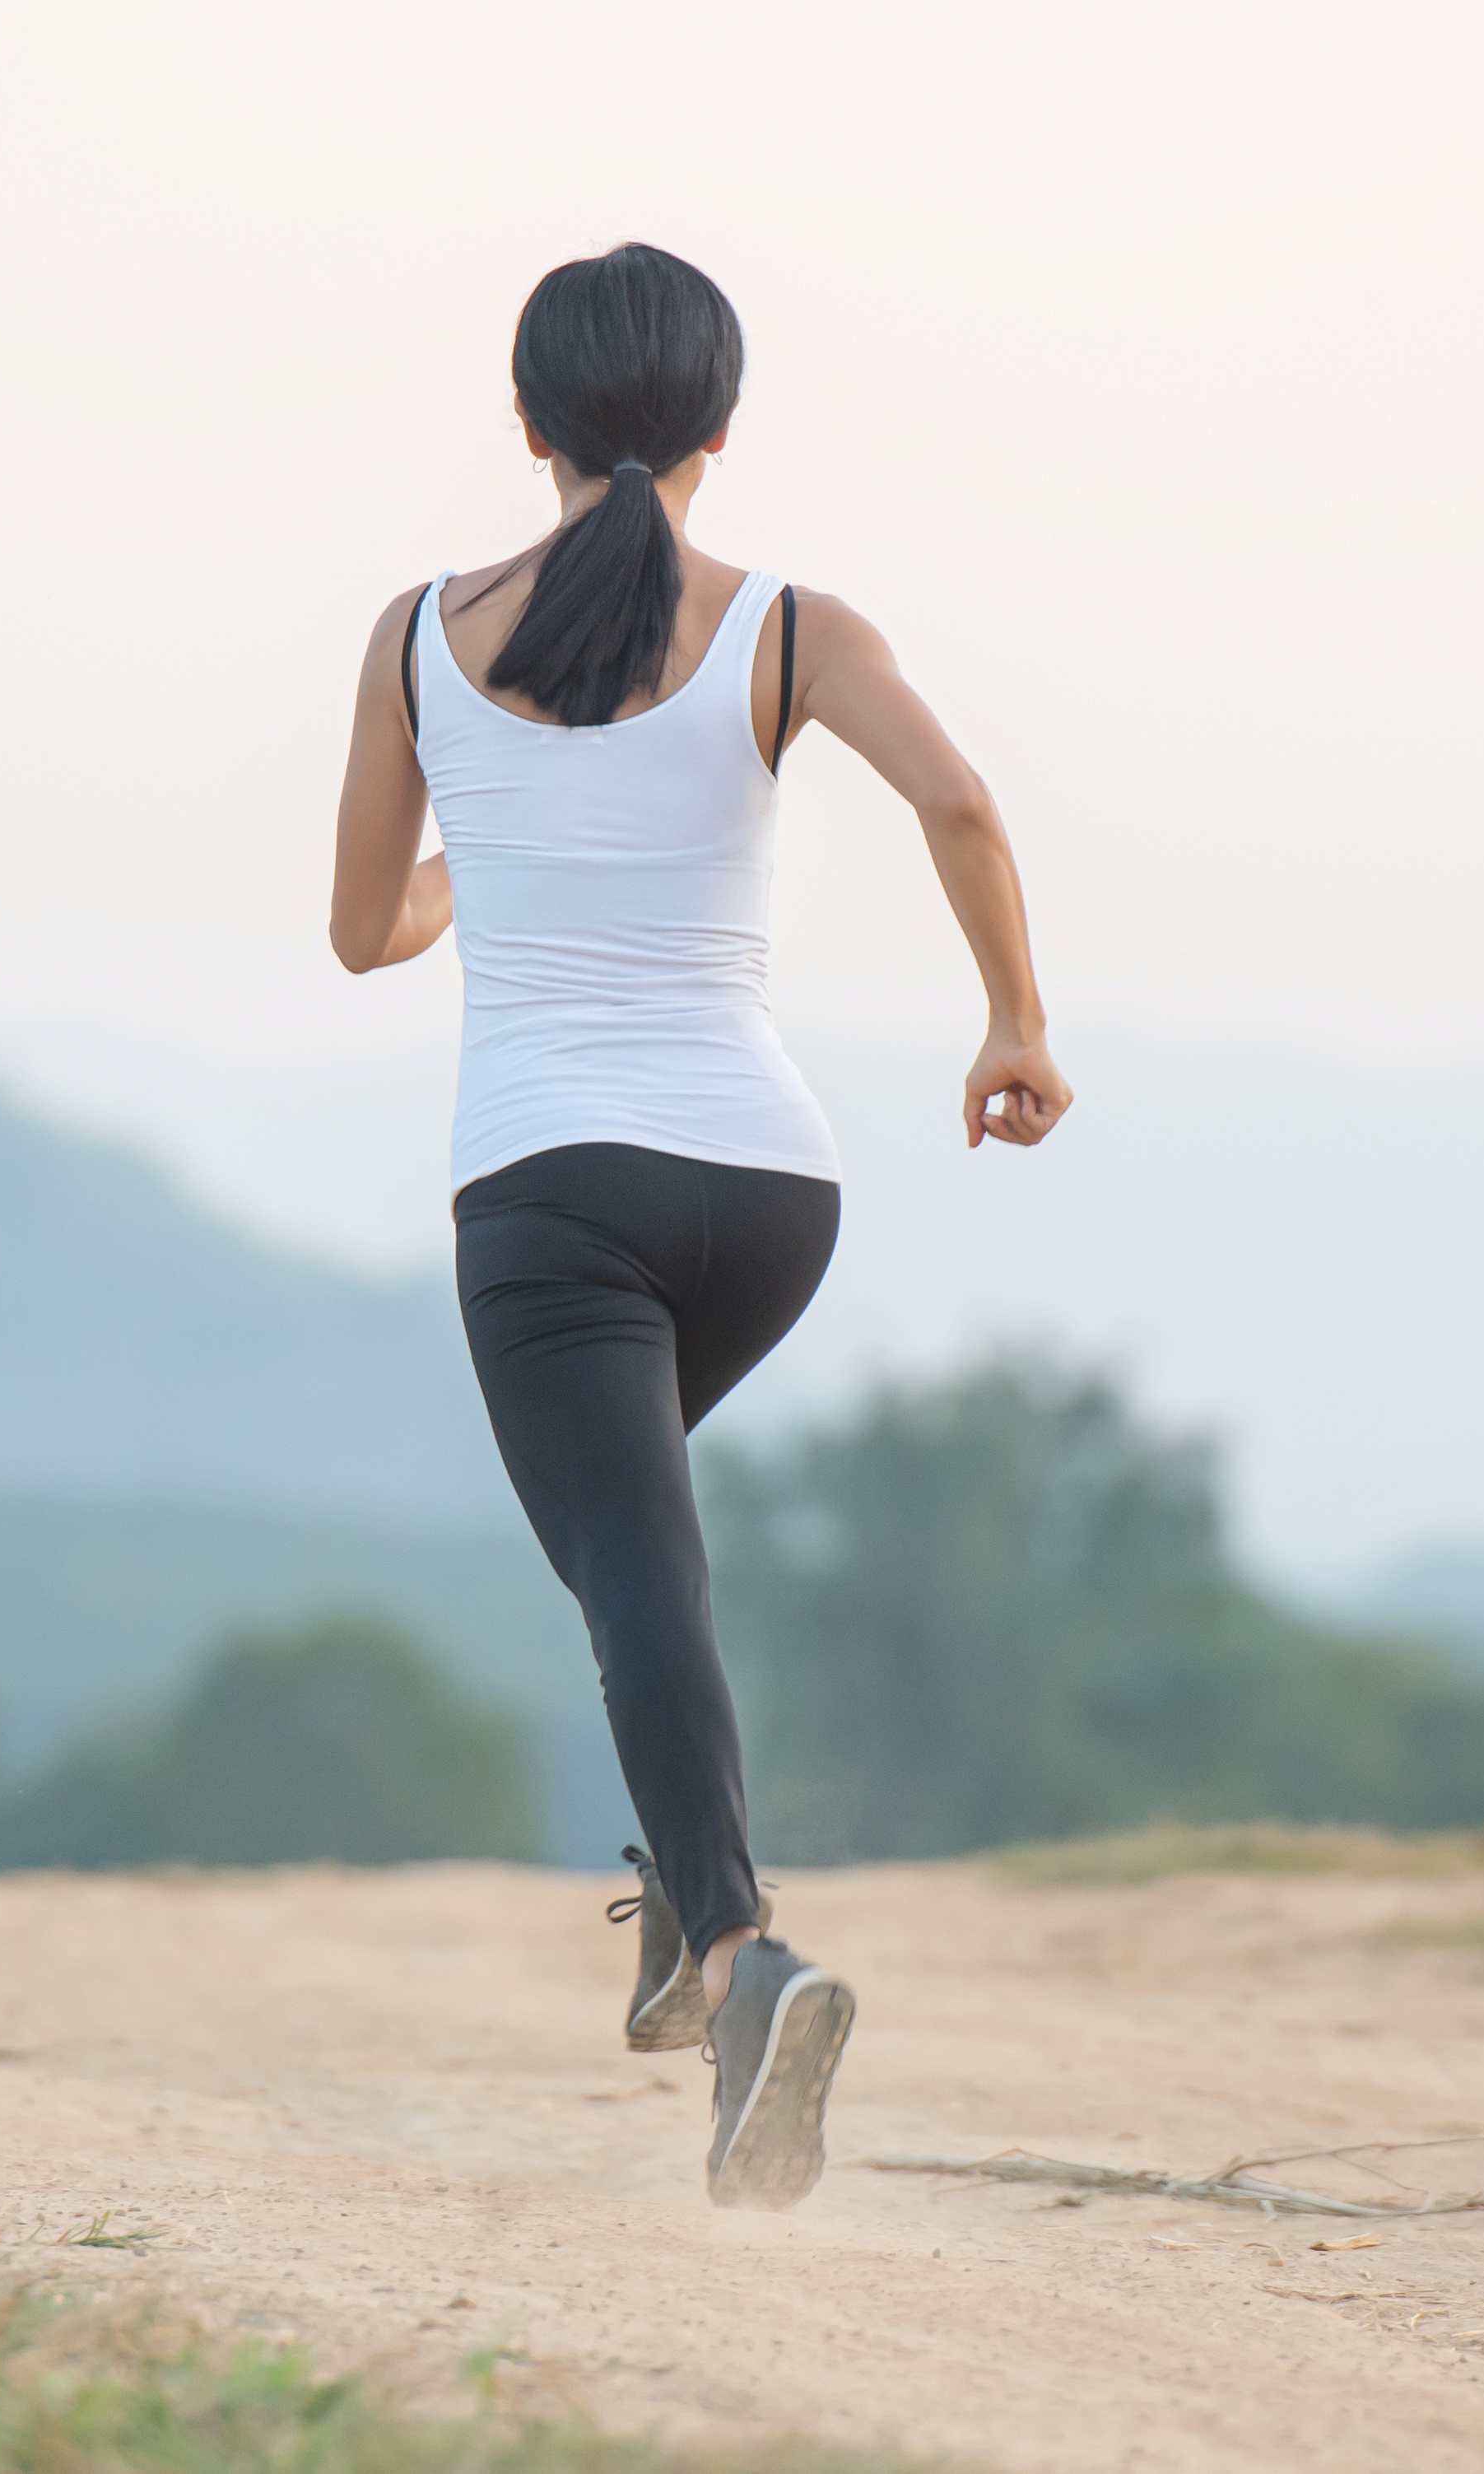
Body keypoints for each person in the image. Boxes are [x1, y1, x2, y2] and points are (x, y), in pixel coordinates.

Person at [325, 243, 1068, 2209]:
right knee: (629, 1550)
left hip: (551, 1201)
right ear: (720, 428)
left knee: (626, 1568)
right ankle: (682, 1905)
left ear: (524, 422)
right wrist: (1012, 1023)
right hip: (766, 1196)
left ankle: (735, 1958)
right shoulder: (789, 628)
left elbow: (360, 928)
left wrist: (483, 871)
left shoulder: (416, 638)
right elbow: (961, 804)